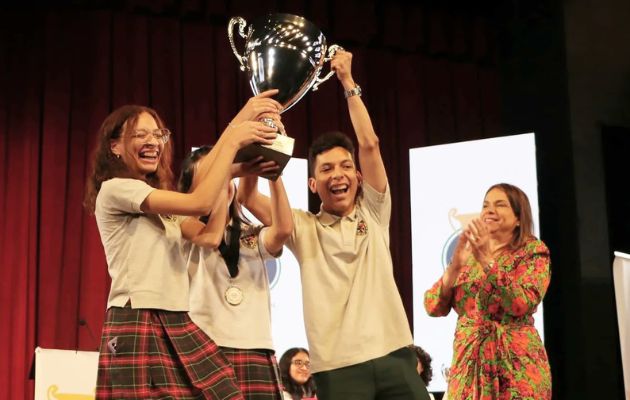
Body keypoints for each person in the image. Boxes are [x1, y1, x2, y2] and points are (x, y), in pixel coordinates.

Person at [238, 50, 430, 399]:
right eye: (326, 169)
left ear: (357, 177)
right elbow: (248, 199)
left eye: (344, 167)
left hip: (395, 355)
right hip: (337, 368)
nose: (337, 175)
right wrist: (264, 151)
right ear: (313, 184)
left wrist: (347, 81)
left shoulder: (373, 211)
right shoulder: (302, 226)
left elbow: (369, 145)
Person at [83, 94, 280, 399]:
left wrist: (230, 175)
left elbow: (209, 236)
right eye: (140, 135)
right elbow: (197, 200)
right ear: (115, 147)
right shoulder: (116, 190)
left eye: (157, 134)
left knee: (225, 392)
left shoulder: (159, 200)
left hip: (177, 316)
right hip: (137, 315)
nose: (153, 142)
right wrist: (235, 132)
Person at [179, 145, 292, 400]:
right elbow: (211, 237)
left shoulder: (250, 232)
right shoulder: (183, 227)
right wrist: (224, 184)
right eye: (211, 176)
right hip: (203, 348)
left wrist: (274, 173)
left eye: (223, 174)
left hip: (255, 347)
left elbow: (283, 229)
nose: (220, 181)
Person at [424, 183, 552, 400]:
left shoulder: (533, 251)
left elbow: (521, 303)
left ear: (519, 218)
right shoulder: (468, 253)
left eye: (500, 205)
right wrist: (455, 266)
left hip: (515, 363)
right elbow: (433, 306)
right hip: (468, 365)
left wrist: (485, 259)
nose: (489, 210)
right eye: (486, 205)